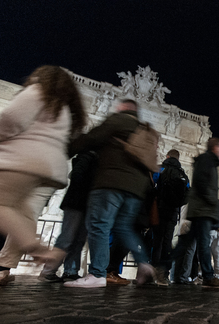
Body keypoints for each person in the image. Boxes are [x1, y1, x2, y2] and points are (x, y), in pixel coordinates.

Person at [0, 65, 86, 285]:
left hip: (27, 161)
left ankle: (40, 250)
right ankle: (0, 269)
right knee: (26, 217)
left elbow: (9, 119)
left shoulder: (39, 91)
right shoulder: (66, 110)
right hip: (52, 171)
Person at [65, 99, 154, 288]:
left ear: (123, 108)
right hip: (136, 188)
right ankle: (144, 263)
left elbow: (92, 137)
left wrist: (66, 149)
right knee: (124, 227)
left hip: (112, 180)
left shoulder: (119, 120)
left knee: (99, 225)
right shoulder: (143, 129)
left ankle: (97, 273)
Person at [170, 137, 219, 288]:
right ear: (215, 147)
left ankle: (162, 266)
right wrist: (212, 203)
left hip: (201, 209)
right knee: (201, 245)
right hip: (202, 209)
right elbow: (203, 184)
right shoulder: (206, 160)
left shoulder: (208, 161)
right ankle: (209, 277)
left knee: (185, 243)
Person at [38, 151, 97, 282]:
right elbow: (77, 175)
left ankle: (71, 271)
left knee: (78, 240)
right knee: (67, 238)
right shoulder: (88, 157)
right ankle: (48, 271)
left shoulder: (91, 158)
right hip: (76, 203)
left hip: (84, 204)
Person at [151, 149, 188, 286]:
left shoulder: (160, 169)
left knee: (156, 242)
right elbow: (187, 195)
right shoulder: (182, 174)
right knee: (167, 242)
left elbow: (152, 184)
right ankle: (164, 275)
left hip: (159, 209)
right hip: (173, 213)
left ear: (167, 156)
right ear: (178, 158)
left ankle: (152, 272)